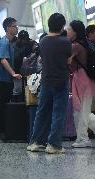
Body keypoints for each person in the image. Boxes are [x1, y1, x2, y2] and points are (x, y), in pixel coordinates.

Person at [28, 13, 72, 154]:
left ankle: (35, 142)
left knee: (42, 112)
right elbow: (69, 61)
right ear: (62, 25)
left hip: (46, 81)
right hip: (61, 81)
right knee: (58, 113)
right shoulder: (66, 42)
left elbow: (42, 60)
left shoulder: (43, 41)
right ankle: (54, 145)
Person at [67, 21, 95, 147]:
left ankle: (83, 139)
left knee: (81, 110)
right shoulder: (84, 43)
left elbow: (67, 60)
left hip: (82, 79)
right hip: (83, 78)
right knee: (83, 110)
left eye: (70, 29)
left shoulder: (75, 46)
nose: (67, 31)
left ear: (76, 31)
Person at [0, 17, 22, 140]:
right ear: (8, 28)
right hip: (2, 79)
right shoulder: (4, 42)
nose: (17, 28)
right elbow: (3, 59)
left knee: (3, 104)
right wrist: (13, 73)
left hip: (5, 79)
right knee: (1, 105)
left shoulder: (8, 42)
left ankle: (1, 130)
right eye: (15, 26)